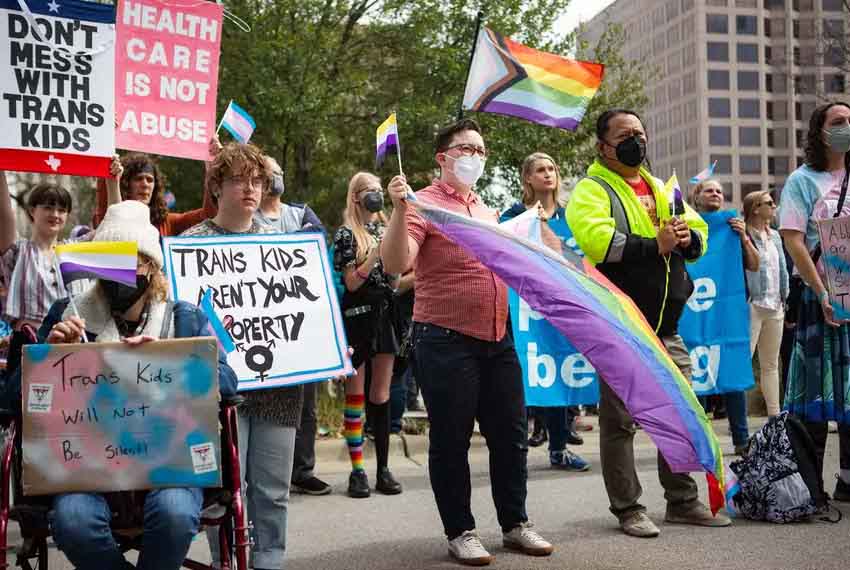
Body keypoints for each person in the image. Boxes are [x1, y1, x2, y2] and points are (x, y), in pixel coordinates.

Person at [383, 119, 553, 566]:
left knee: (511, 435)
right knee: (452, 440)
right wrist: (401, 210)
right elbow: (396, 264)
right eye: (466, 149)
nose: (476, 157)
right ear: (443, 158)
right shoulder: (423, 204)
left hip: (499, 335)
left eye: (481, 150)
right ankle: (460, 530)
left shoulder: (486, 208)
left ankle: (516, 524)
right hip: (445, 338)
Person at [34, 200, 237, 570]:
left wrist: (168, 358)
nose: (119, 273)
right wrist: (52, 357)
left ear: (151, 267)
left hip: (168, 462)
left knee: (175, 514)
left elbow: (228, 380)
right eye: (110, 260)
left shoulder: (185, 318)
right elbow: (15, 394)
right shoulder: (66, 315)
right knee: (74, 522)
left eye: (131, 260)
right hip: (86, 467)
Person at [566, 109, 731, 538]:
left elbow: (698, 233)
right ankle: (628, 508)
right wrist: (653, 243)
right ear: (604, 146)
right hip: (620, 326)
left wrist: (686, 238)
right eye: (625, 135)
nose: (636, 141)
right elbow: (596, 240)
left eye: (639, 133)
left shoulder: (661, 186)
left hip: (667, 328)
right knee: (619, 422)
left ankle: (682, 500)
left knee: (680, 412)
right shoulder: (591, 189)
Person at [182, 143, 303, 570]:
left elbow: (303, 313)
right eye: (239, 180)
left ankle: (270, 561)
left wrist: (322, 344)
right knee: (224, 491)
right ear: (217, 186)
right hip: (217, 390)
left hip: (279, 384)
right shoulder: (190, 244)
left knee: (272, 488)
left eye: (257, 180)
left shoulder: (286, 245)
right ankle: (227, 562)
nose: (251, 189)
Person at [778, 101, 850, 500]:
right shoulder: (802, 181)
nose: (847, 128)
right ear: (820, 132)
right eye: (838, 122)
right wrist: (823, 293)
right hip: (818, 299)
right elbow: (792, 239)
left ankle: (848, 481)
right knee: (814, 394)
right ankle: (810, 487)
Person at [500, 152, 589, 472]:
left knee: (557, 372)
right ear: (527, 178)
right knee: (523, 376)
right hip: (524, 309)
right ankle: (515, 449)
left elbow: (577, 259)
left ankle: (559, 448)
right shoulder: (512, 214)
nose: (548, 174)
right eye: (540, 170)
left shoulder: (571, 217)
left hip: (563, 306)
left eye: (552, 168)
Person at [253, 156, 331, 497]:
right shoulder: (249, 218)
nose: (276, 176)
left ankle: (302, 469)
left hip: (299, 325)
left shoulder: (301, 214)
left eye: (278, 170)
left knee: (306, 404)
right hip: (260, 325)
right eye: (269, 172)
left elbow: (316, 249)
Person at [0, 160, 120, 379]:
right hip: (29, 346)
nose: (55, 214)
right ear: (31, 211)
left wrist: (113, 182)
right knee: (26, 411)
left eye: (62, 209)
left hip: (74, 346)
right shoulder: (17, 252)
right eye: (48, 207)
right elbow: (3, 214)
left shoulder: (77, 252)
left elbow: (114, 229)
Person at [333, 172, 403, 498]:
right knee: (356, 394)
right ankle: (358, 470)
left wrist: (395, 269)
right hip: (356, 318)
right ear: (355, 196)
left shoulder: (388, 229)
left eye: (379, 190)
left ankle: (383, 469)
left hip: (384, 316)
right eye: (368, 191)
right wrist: (373, 256)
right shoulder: (347, 234)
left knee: (381, 395)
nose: (375, 195)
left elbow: (392, 284)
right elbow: (350, 283)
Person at [690, 179, 759, 455]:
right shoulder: (689, 225)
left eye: (719, 191)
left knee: (731, 373)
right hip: (696, 310)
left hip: (728, 313)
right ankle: (700, 441)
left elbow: (754, 264)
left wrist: (743, 237)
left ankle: (741, 439)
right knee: (697, 370)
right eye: (709, 190)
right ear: (697, 197)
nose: (716, 194)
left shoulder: (733, 227)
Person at [94, 139, 220, 236]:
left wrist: (212, 170)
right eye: (138, 179)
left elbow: (209, 215)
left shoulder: (168, 223)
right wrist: (107, 135)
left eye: (150, 180)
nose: (145, 184)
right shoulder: (110, 216)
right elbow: (107, 184)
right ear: (125, 184)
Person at [742, 190, 788, 421]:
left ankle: (774, 416)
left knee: (770, 364)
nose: (774, 206)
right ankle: (738, 420)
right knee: (744, 361)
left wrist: (785, 297)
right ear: (755, 209)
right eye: (769, 203)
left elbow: (782, 270)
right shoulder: (741, 235)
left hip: (775, 305)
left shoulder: (776, 236)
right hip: (752, 304)